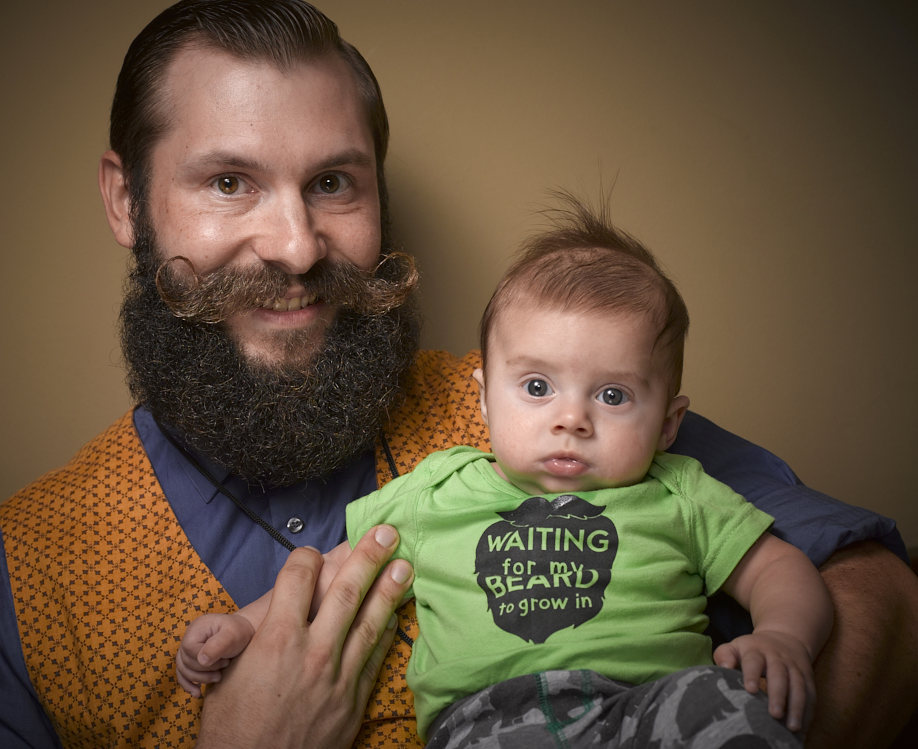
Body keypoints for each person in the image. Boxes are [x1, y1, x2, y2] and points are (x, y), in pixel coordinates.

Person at [0, 1, 914, 748]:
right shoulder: (2, 585)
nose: (299, 247)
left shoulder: (545, 406)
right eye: (229, 181)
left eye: (333, 183)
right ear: (125, 200)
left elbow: (883, 598)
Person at [175, 201, 833, 747]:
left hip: (651, 703)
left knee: (733, 714)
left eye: (612, 395)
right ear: (486, 398)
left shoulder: (679, 488)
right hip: (487, 717)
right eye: (539, 385)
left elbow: (778, 568)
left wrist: (783, 635)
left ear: (668, 421)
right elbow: (338, 567)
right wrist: (245, 626)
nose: (571, 419)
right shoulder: (441, 488)